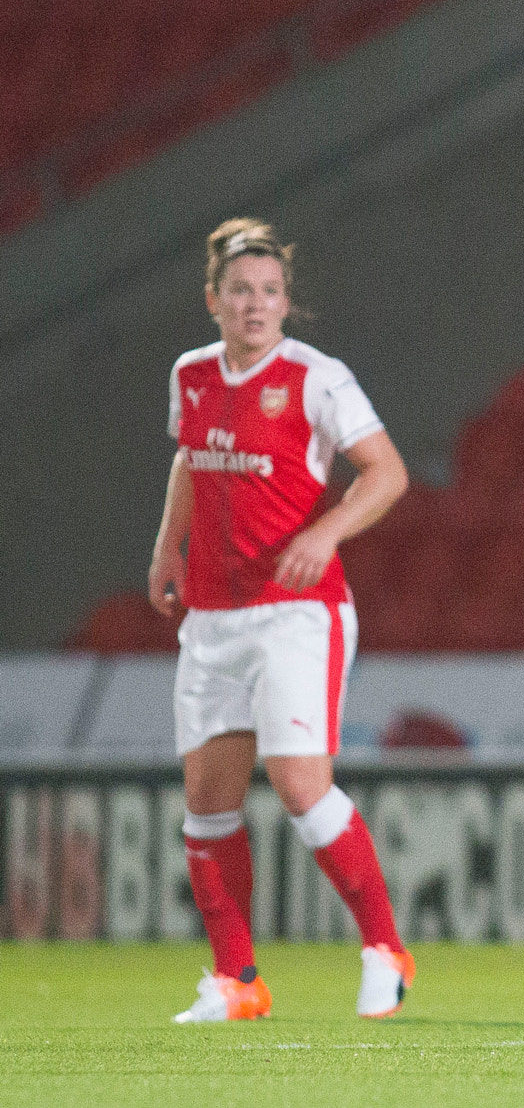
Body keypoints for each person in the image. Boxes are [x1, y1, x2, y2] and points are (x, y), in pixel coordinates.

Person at [148, 219, 413, 1023]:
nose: (256, 304)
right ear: (213, 301)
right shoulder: (191, 375)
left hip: (298, 611)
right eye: (240, 292)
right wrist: (167, 545)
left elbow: (387, 471)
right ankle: (239, 980)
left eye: (269, 291)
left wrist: (326, 530)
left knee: (300, 784)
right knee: (207, 801)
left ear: (286, 302)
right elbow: (191, 455)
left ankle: (384, 949)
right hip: (214, 616)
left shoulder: (315, 377)